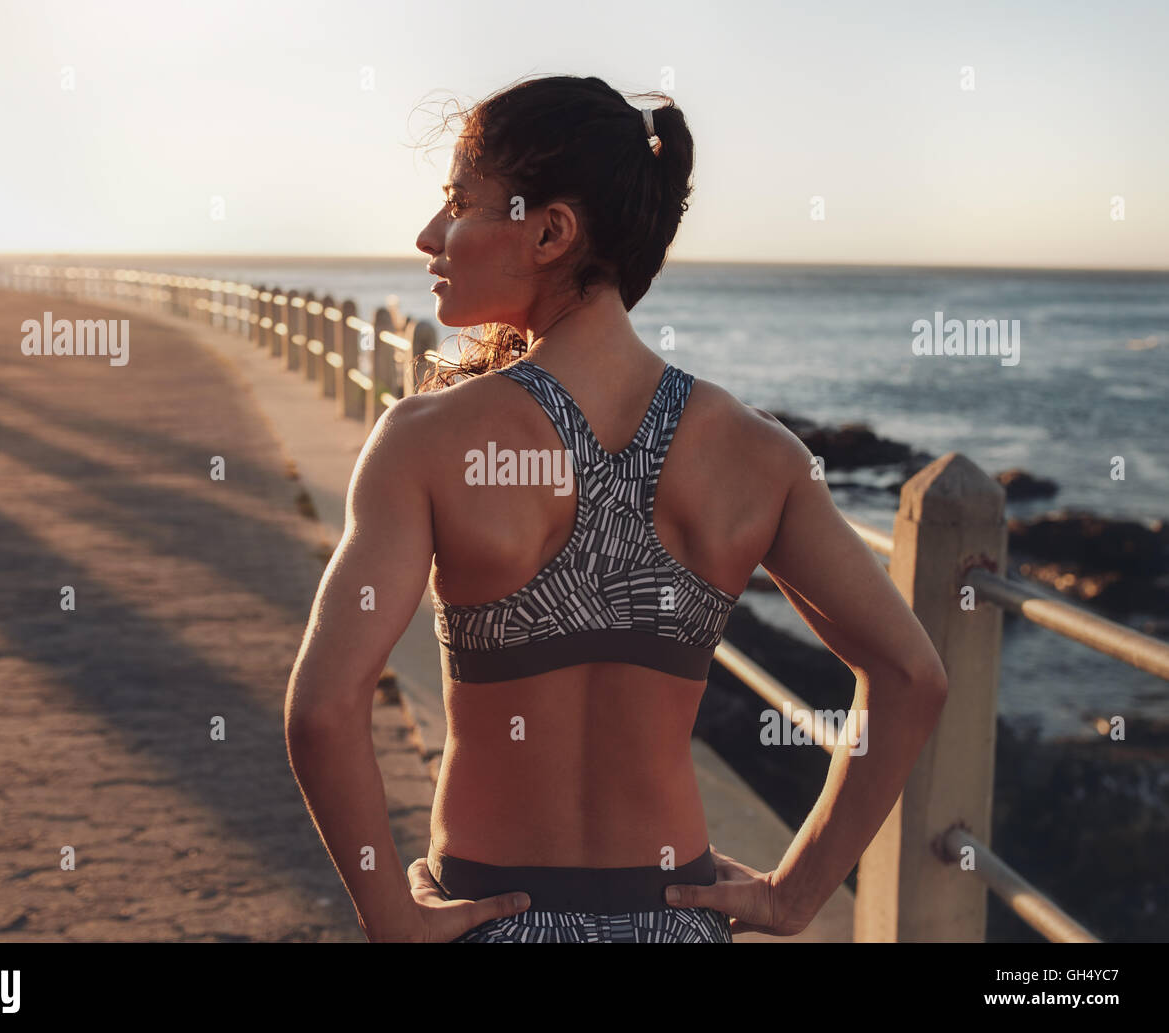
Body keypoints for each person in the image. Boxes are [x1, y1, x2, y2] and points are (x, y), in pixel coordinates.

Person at [283, 74, 948, 943]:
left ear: (552, 230)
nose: (431, 234)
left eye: (459, 203)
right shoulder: (761, 454)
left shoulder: (428, 439)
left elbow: (321, 710)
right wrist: (794, 894)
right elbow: (912, 678)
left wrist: (390, 916)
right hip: (676, 919)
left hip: (494, 914)